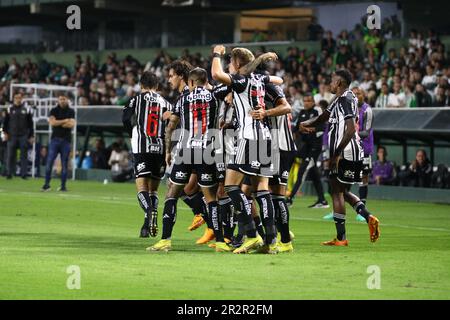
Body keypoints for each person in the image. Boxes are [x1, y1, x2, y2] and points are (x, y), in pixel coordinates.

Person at [149, 68, 232, 252]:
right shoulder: (214, 96)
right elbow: (232, 85)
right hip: (207, 152)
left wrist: (168, 151)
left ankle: (165, 240)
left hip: (186, 151)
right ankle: (220, 241)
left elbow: (171, 126)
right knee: (211, 198)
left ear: (192, 82)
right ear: (205, 80)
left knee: (172, 194)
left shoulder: (183, 99)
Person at [211, 45, 284, 254]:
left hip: (249, 138)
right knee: (262, 189)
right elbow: (278, 80)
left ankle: (251, 235)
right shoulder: (260, 80)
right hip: (266, 137)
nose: (228, 66)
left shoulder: (241, 81)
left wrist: (217, 53)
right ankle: (272, 241)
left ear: (236, 64)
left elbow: (216, 74)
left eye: (230, 62)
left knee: (231, 186)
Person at [299, 69, 380, 246]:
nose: (330, 83)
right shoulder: (339, 100)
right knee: (341, 191)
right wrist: (306, 124)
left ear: (340, 83)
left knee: (336, 192)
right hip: (353, 152)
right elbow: (323, 117)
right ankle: (368, 217)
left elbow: (351, 129)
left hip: (346, 152)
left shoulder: (345, 99)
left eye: (332, 80)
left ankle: (341, 238)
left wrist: (336, 154)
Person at [166, 59, 214, 243]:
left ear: (181, 76)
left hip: (198, 146)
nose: (169, 80)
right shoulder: (185, 95)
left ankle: (212, 223)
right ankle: (209, 222)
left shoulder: (190, 93)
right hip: (193, 145)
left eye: (171, 76)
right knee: (186, 188)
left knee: (180, 188)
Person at [122, 71, 171, 238]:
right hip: (160, 149)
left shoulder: (135, 99)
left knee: (142, 187)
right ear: (157, 86)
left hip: (142, 147)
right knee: (153, 191)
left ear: (141, 85)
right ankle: (146, 224)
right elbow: (174, 123)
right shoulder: (166, 102)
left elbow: (125, 119)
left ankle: (150, 212)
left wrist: (132, 134)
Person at [288, 93, 329, 208]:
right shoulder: (302, 113)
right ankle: (322, 200)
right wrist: (299, 130)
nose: (306, 103)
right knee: (314, 174)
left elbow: (323, 126)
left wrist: (312, 129)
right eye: (304, 101)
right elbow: (296, 128)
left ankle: (290, 198)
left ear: (313, 102)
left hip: (315, 147)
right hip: (305, 147)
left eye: (308, 101)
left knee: (302, 171)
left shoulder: (317, 112)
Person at [42, 95, 76, 191]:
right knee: (49, 162)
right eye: (60, 99)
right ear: (58, 100)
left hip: (66, 141)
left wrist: (58, 122)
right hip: (55, 140)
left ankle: (63, 186)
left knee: (64, 164)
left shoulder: (71, 111)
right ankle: (46, 185)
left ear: (67, 100)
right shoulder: (54, 110)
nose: (62, 101)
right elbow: (52, 123)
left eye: (64, 99)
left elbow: (71, 124)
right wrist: (65, 120)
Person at [2, 93, 34, 179]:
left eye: (19, 98)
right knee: (10, 155)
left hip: (23, 136)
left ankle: (23, 174)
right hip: (12, 135)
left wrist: (31, 136)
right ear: (13, 99)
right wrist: (5, 133)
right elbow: (5, 123)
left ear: (22, 99)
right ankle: (9, 173)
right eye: (16, 98)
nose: (18, 99)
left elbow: (30, 124)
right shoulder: (9, 109)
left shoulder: (26, 109)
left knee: (24, 155)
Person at [353, 87, 374, 205]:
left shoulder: (367, 110)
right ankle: (338, 209)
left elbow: (366, 132)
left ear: (363, 95)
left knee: (363, 177)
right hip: (351, 148)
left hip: (364, 148)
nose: (356, 96)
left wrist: (351, 134)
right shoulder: (349, 109)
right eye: (354, 94)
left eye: (358, 93)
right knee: (345, 177)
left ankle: (362, 208)